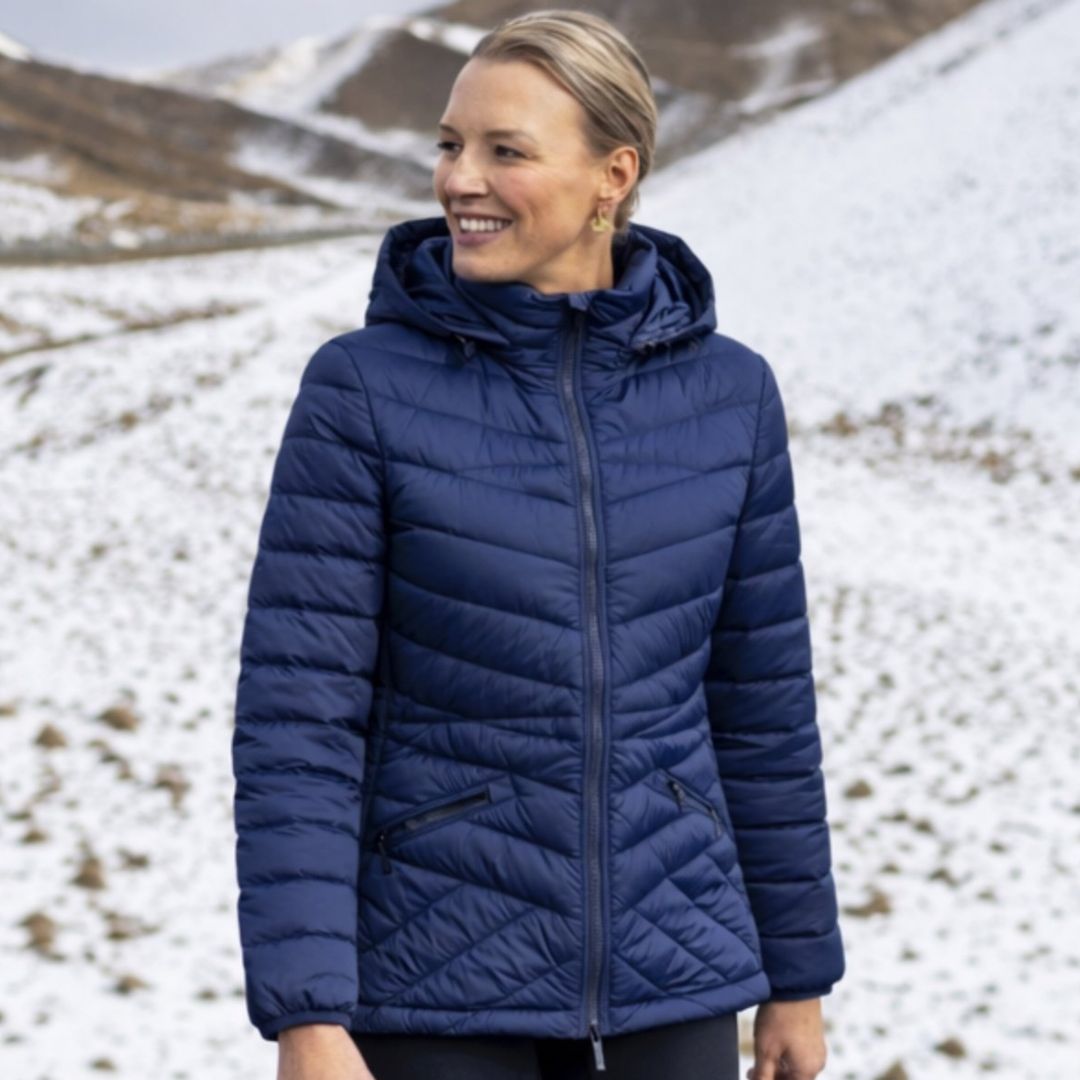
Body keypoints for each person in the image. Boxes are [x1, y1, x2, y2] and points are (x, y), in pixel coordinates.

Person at [231, 9, 846, 1080]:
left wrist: (797, 978)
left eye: (505, 151)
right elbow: (301, 724)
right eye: (449, 144)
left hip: (678, 973)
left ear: (614, 174)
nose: (460, 179)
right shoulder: (363, 391)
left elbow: (763, 710)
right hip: (434, 987)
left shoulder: (730, 396)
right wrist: (307, 1013)